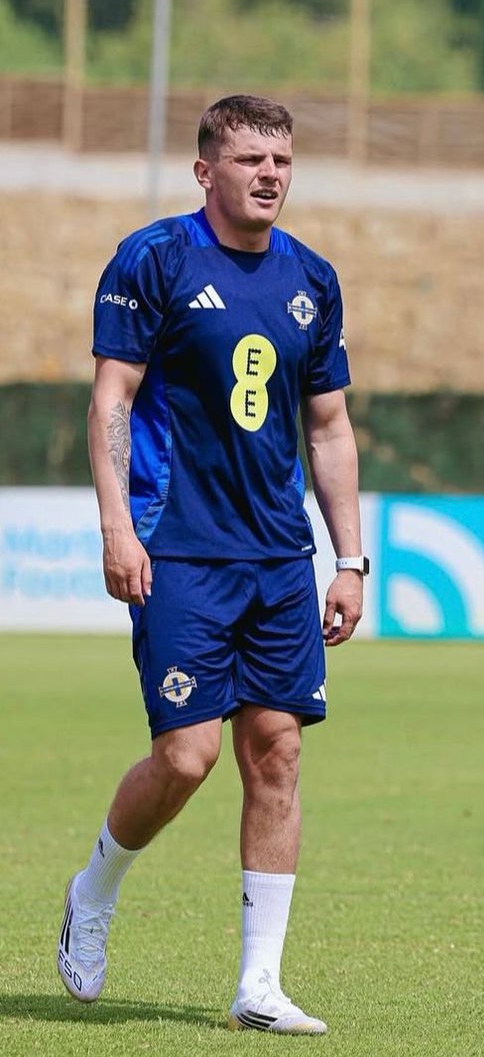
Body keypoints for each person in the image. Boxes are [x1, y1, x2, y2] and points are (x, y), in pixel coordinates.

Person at [59, 94, 368, 1034]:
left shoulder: (312, 277)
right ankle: (94, 888)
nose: (269, 175)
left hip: (278, 558)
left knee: (277, 752)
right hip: (178, 550)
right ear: (206, 171)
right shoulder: (153, 258)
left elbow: (330, 427)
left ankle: (259, 986)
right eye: (249, 160)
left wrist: (349, 559)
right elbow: (112, 399)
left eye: (281, 160)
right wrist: (117, 526)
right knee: (187, 757)